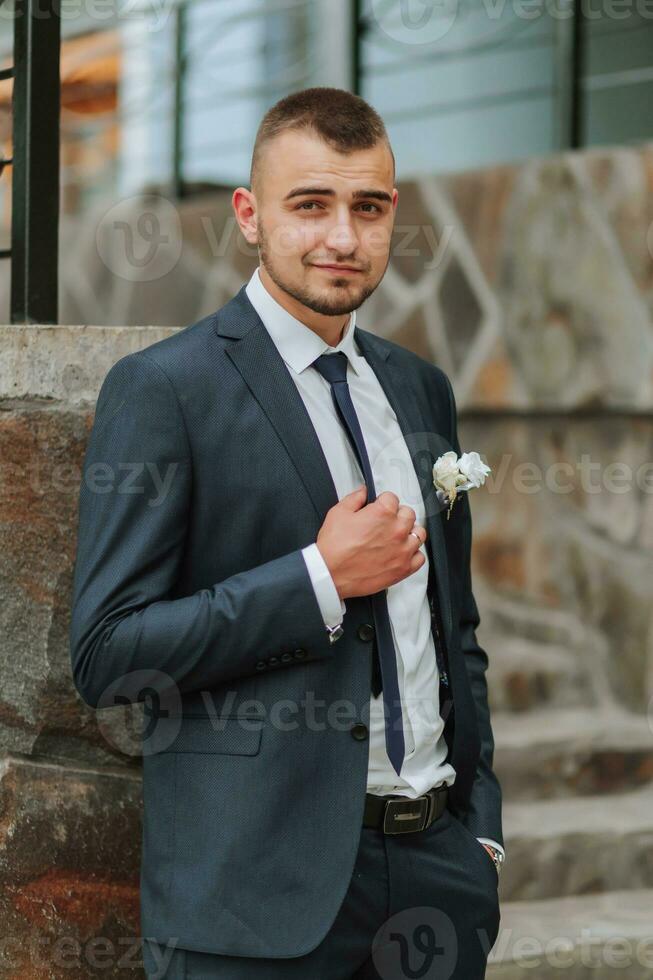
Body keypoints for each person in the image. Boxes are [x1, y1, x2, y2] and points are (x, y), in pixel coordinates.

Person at [69, 87, 504, 979]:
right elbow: (109, 652)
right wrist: (317, 578)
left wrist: (480, 837)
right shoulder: (166, 390)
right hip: (251, 904)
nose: (342, 237)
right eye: (310, 205)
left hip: (434, 885)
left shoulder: (420, 390)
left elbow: (454, 631)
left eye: (368, 207)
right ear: (250, 216)